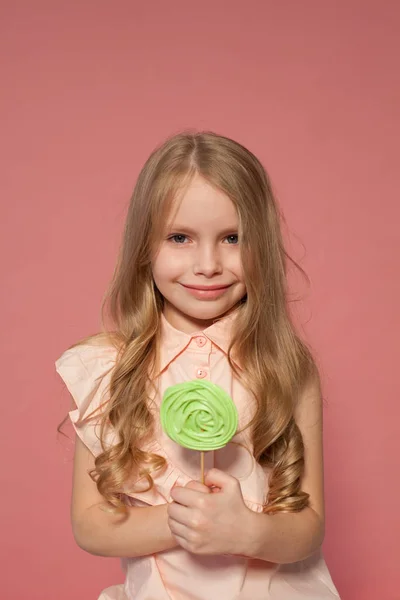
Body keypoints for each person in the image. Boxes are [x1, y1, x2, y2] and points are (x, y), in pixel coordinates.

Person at [55, 131, 340, 599]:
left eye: (232, 237)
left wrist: (249, 533)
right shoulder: (109, 368)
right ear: (144, 247)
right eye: (180, 237)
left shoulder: (285, 365)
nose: (207, 264)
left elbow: (308, 526)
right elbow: (91, 525)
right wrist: (185, 522)